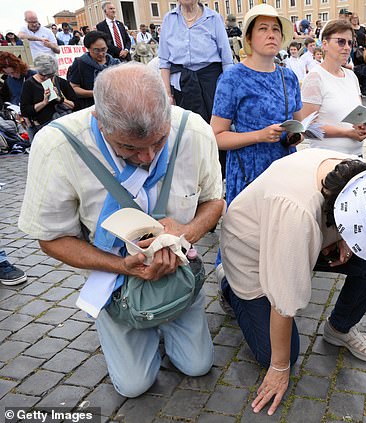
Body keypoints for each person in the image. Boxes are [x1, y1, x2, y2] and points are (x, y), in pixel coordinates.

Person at [18, 63, 225, 398]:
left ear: (167, 111)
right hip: (114, 275)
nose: (147, 156)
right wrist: (120, 266)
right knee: (134, 386)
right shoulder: (58, 146)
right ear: (99, 120)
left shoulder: (194, 130)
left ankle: (167, 319)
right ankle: (127, 321)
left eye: (159, 141)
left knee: (197, 366)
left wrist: (185, 232)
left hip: (180, 271)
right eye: (129, 148)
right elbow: (51, 238)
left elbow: (215, 201)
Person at [220, 148, 366, 415]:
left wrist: (343, 238)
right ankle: (229, 287)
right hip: (252, 252)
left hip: (298, 232)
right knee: (281, 355)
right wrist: (279, 368)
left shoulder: (365, 178)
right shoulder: (297, 214)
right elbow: (283, 302)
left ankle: (339, 328)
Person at [211, 4, 300, 209]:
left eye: (275, 29)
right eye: (263, 28)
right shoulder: (232, 78)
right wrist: (259, 135)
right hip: (248, 174)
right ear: (249, 38)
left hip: (284, 170)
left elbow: (298, 124)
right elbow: (216, 136)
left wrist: (296, 135)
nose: (271, 34)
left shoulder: (289, 77)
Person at [301, 20, 366, 156]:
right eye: (341, 41)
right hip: (328, 159)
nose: (347, 47)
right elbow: (307, 127)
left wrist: (362, 127)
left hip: (356, 156)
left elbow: (357, 114)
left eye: (350, 43)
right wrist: (347, 133)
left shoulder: (351, 76)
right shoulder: (315, 78)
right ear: (325, 44)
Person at [158, 0, 233, 124]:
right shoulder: (169, 19)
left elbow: (227, 61)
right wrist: (168, 95)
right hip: (182, 84)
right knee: (186, 129)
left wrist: (228, 92)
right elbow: (164, 62)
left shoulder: (214, 18)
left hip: (211, 84)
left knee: (214, 127)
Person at [20, 55, 76, 135]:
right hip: (44, 129)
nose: (47, 79)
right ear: (37, 72)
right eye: (43, 76)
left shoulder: (60, 82)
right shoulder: (29, 85)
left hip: (64, 125)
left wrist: (60, 99)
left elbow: (76, 105)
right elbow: (25, 111)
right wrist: (44, 102)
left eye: (50, 75)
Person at [67, 31, 121, 111]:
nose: (101, 53)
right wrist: (95, 93)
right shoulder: (80, 63)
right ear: (88, 48)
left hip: (114, 106)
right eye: (96, 50)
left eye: (103, 49)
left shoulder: (115, 63)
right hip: (90, 107)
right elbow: (74, 88)